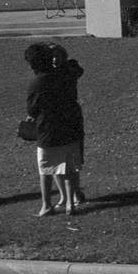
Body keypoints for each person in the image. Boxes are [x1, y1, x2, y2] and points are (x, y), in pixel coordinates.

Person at [25, 42, 82, 216]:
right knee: (69, 167)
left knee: (46, 169)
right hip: (70, 126)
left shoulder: (36, 83)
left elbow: (32, 110)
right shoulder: (65, 74)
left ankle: (47, 205)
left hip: (48, 130)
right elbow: (77, 69)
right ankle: (71, 202)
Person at [49, 43, 87, 208]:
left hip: (70, 118)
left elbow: (77, 70)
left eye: (58, 56)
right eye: (51, 56)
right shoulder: (46, 74)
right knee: (55, 159)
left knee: (72, 159)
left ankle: (76, 193)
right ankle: (64, 196)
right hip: (54, 118)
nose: (55, 59)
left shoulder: (69, 70)